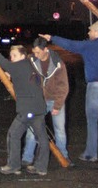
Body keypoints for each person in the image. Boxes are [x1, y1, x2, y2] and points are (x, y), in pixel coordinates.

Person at [46, 20, 98, 162]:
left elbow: (71, 45)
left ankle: (91, 153)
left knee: (92, 120)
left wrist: (52, 38)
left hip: (95, 85)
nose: (88, 33)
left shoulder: (89, 46)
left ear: (97, 32)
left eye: (90, 31)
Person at [0, 35, 49, 177]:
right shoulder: (28, 65)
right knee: (42, 138)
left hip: (28, 110)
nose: (11, 58)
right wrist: (10, 75)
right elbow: (23, 80)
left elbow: (0, 61)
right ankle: (41, 167)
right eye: (11, 56)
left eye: (14, 55)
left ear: (22, 55)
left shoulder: (19, 66)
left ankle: (14, 165)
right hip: (39, 107)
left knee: (13, 135)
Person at [21, 36, 70, 167]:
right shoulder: (31, 60)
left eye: (38, 52)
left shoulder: (58, 63)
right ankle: (27, 157)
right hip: (38, 101)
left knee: (59, 129)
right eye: (34, 51)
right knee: (32, 129)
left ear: (45, 50)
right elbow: (20, 70)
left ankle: (63, 156)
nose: (35, 54)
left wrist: (58, 105)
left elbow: (63, 86)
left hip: (55, 100)